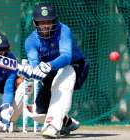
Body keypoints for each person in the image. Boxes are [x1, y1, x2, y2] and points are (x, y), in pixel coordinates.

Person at [19, 3, 90, 138]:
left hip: (76, 66)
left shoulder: (64, 30)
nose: (45, 25)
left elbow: (66, 57)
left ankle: (53, 126)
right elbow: (35, 65)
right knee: (38, 112)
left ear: (54, 21)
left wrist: (48, 65)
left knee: (62, 80)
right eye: (42, 22)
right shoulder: (30, 41)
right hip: (51, 72)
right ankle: (67, 122)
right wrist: (31, 72)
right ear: (35, 23)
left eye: (48, 21)